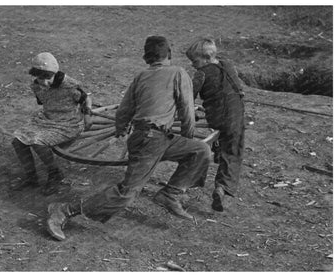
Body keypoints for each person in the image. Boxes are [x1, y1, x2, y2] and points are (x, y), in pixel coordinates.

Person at [46, 36, 212, 240]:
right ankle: (64, 210)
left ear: (147, 58)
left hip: (154, 137)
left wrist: (121, 129)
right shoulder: (179, 72)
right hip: (151, 140)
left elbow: (124, 110)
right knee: (127, 193)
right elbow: (187, 110)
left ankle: (171, 193)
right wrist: (187, 136)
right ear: (169, 53)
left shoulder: (141, 76)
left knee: (200, 151)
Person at [11, 52, 93, 196]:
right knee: (18, 141)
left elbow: (86, 99)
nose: (44, 82)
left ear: (54, 74)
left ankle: (55, 173)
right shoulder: (37, 86)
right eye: (40, 78)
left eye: (47, 77)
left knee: (38, 142)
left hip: (68, 123)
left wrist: (87, 116)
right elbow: (44, 102)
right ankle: (31, 177)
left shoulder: (69, 85)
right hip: (47, 120)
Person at [186, 38, 245, 212]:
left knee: (221, 135)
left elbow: (189, 96)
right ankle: (222, 187)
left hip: (217, 115)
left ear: (205, 58)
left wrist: (190, 112)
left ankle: (217, 152)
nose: (193, 65)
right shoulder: (228, 65)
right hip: (236, 113)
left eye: (195, 62)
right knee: (234, 149)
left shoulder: (201, 73)